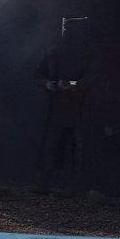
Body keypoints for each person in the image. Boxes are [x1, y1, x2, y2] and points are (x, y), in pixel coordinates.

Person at [33, 16, 93, 192]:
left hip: (81, 108)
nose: (68, 34)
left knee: (78, 148)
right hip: (56, 108)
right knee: (50, 146)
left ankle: (76, 186)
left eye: (72, 31)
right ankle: (46, 183)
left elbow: (91, 79)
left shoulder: (88, 54)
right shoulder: (53, 52)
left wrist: (72, 85)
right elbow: (38, 75)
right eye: (66, 30)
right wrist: (48, 84)